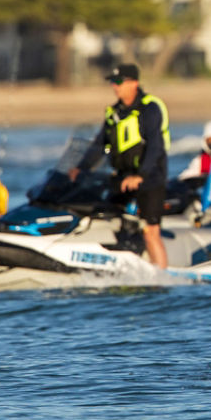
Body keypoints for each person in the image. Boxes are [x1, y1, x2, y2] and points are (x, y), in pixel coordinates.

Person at [75, 62, 172, 269]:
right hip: (122, 177)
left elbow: (155, 146)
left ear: (134, 83)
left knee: (150, 230)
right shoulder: (114, 113)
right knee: (108, 217)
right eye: (112, 82)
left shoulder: (149, 108)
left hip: (150, 177)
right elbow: (100, 145)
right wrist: (81, 168)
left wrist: (141, 175)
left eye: (119, 82)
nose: (114, 86)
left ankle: (161, 276)